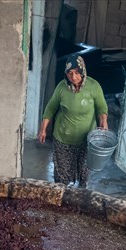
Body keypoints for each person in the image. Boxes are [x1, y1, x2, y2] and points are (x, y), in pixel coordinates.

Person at [38, 54, 109, 187]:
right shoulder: (61, 87)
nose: (73, 77)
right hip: (63, 137)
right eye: (70, 73)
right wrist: (43, 130)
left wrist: (103, 121)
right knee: (62, 175)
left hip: (86, 139)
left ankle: (81, 198)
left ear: (83, 72)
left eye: (77, 73)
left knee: (84, 172)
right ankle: (62, 200)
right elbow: (50, 109)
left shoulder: (93, 86)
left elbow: (101, 107)